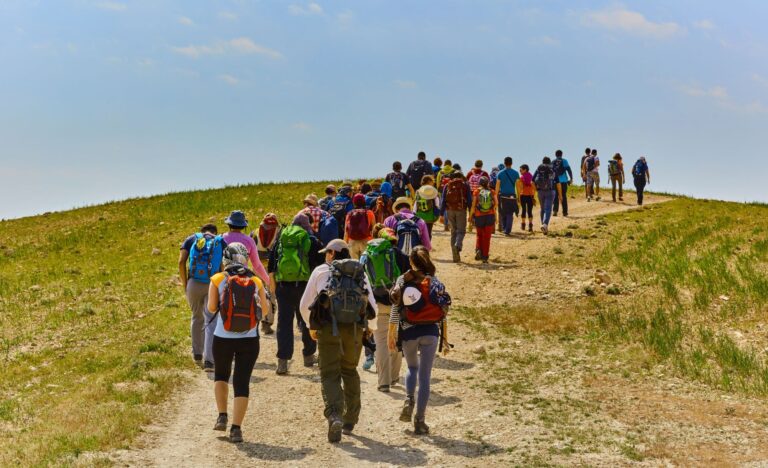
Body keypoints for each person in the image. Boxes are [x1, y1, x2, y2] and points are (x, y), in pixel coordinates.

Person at [299, 239, 377, 443]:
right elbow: (373, 308)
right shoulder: (360, 273)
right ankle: (350, 419)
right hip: (354, 331)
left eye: (327, 252)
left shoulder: (320, 272)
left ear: (333, 254)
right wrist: (369, 328)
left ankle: (334, 415)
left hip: (327, 329)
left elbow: (304, 304)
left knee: (329, 373)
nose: (326, 256)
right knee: (350, 370)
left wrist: (311, 327)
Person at [206, 242, 268, 443]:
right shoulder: (256, 281)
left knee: (221, 376)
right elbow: (265, 312)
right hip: (249, 340)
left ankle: (222, 415)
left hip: (222, 338)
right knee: (242, 383)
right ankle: (236, 429)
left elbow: (211, 307)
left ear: (225, 258)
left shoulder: (216, 279)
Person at [388, 246, 451, 435]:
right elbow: (443, 311)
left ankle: (408, 398)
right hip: (431, 332)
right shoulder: (434, 281)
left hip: (409, 332)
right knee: (425, 377)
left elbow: (395, 309)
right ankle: (420, 420)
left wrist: (392, 333)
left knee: (412, 368)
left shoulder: (402, 280)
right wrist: (445, 338)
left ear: (411, 262)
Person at [269, 213, 324, 374]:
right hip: (305, 287)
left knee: (284, 323)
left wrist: (274, 288)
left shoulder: (281, 239)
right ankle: (308, 355)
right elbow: (320, 265)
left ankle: (283, 362)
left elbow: (272, 265)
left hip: (283, 287)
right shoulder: (311, 240)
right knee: (307, 320)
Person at [361, 228, 408, 393]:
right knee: (395, 339)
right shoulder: (398, 254)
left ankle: (383, 382)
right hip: (397, 304)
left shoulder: (367, 255)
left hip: (376, 304)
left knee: (381, 341)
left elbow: (361, 279)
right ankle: (394, 377)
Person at [179, 223, 226, 371]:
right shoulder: (220, 241)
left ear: (202, 232)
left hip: (193, 282)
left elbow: (181, 262)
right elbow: (223, 266)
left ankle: (197, 355)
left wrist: (185, 283)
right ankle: (210, 362)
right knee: (211, 319)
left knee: (196, 317)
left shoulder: (191, 239)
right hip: (213, 283)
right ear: (215, 232)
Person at [221, 211, 271, 287]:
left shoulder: (221, 238)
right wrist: (268, 281)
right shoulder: (249, 241)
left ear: (229, 224)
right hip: (244, 280)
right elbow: (257, 265)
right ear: (244, 226)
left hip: (225, 279)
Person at [252, 214, 282, 335]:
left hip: (257, 267)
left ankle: (256, 319)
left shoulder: (255, 232)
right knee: (271, 294)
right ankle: (267, 323)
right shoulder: (279, 231)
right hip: (272, 269)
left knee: (258, 293)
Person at [440, 171, 472, 262]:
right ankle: (457, 245)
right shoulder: (465, 185)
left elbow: (443, 200)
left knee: (453, 232)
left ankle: (455, 255)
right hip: (461, 210)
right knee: (461, 231)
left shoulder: (447, 185)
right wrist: (471, 212)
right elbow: (469, 200)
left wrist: (441, 214)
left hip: (449, 210)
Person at [469, 176, 496, 263]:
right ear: (488, 183)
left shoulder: (476, 191)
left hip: (479, 216)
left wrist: (470, 216)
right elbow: (497, 203)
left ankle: (478, 250)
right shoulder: (492, 191)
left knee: (479, 235)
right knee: (487, 237)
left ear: (479, 183)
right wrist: (493, 211)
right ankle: (485, 256)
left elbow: (473, 205)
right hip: (490, 216)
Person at [345, 193, 375, 259]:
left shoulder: (349, 213)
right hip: (366, 240)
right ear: (364, 201)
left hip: (352, 242)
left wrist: (345, 243)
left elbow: (346, 230)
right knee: (365, 264)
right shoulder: (369, 212)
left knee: (355, 265)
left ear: (354, 202)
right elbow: (374, 229)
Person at [495, 157, 519, 236]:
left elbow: (497, 186)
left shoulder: (500, 173)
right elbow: (518, 186)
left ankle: (505, 228)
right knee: (510, 213)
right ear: (511, 163)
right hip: (512, 195)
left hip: (502, 195)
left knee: (503, 212)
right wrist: (518, 196)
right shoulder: (516, 173)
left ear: (504, 163)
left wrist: (495, 196)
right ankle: (507, 230)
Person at [533, 157, 556, 234]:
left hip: (540, 191)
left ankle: (543, 224)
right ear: (549, 162)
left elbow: (532, 180)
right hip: (550, 190)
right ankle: (545, 224)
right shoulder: (551, 168)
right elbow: (555, 180)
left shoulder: (539, 169)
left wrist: (536, 189)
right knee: (548, 209)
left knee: (542, 209)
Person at [552, 150, 573, 217]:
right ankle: (565, 212)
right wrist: (571, 178)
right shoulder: (564, 161)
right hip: (563, 181)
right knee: (563, 195)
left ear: (555, 155)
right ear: (562, 154)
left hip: (555, 181)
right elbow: (569, 169)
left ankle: (555, 211)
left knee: (555, 196)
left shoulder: (553, 162)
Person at [516, 165, 536, 232]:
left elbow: (520, 188)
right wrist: (533, 194)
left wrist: (518, 197)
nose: (520, 171)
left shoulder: (521, 178)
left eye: (521, 170)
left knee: (523, 210)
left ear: (525, 170)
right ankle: (530, 226)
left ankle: (523, 225)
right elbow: (534, 187)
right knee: (530, 211)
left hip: (523, 195)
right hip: (530, 196)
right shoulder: (531, 176)